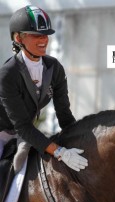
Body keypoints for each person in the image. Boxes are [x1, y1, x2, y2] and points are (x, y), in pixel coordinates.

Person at [0, 5, 88, 174]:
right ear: (18, 38)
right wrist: (61, 153)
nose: (43, 40)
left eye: (46, 35)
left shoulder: (54, 68)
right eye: (36, 35)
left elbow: (64, 116)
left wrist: (82, 141)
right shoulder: (7, 74)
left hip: (25, 134)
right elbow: (23, 126)